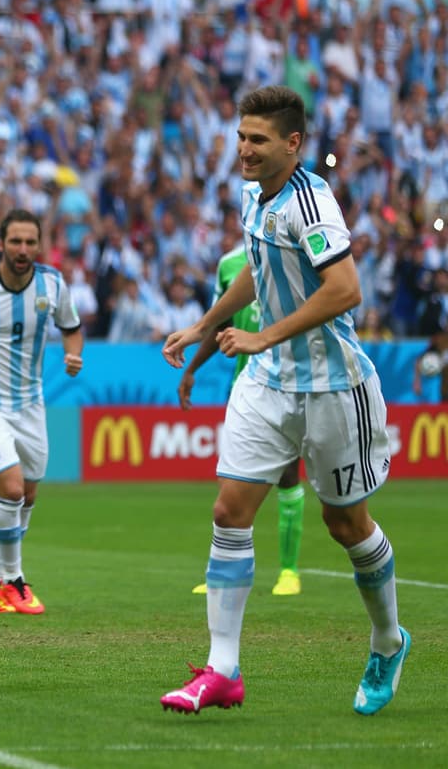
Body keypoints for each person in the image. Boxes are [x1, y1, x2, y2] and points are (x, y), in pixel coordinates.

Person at [161, 87, 408, 716]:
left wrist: (263, 332)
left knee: (345, 524)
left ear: (292, 145)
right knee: (229, 510)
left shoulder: (311, 202)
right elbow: (257, 270)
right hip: (268, 381)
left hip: (332, 385)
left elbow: (345, 289)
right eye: (241, 137)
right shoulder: (255, 196)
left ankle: (387, 639)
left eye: (258, 140)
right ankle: (222, 670)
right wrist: (203, 324)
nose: (243, 149)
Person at [180, 242, 306, 598]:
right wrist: (192, 369)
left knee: (287, 475)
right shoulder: (229, 264)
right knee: (230, 482)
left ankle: (289, 571)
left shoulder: (291, 251)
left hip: (288, 383)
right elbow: (222, 322)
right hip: (244, 388)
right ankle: (222, 570)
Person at [0, 209, 83, 615]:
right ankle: (13, 578)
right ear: (1, 243)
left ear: (40, 245)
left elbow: (71, 328)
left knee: (29, 495)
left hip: (32, 404)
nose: (23, 250)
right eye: (15, 241)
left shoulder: (52, 284)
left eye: (30, 242)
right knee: (13, 490)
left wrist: (73, 354)